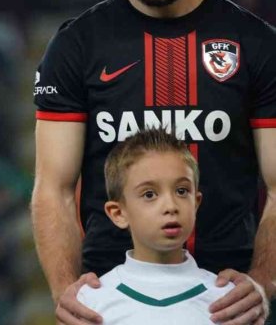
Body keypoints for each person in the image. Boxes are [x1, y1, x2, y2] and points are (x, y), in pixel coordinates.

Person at [31, 0, 276, 325]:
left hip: (228, 309)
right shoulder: (76, 46)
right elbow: (52, 188)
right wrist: (66, 294)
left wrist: (263, 281)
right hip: (110, 307)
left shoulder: (257, 46)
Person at [77, 128, 233, 322]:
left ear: (196, 203)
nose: (171, 206)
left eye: (182, 191)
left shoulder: (227, 301)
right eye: (149, 194)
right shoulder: (91, 302)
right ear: (118, 213)